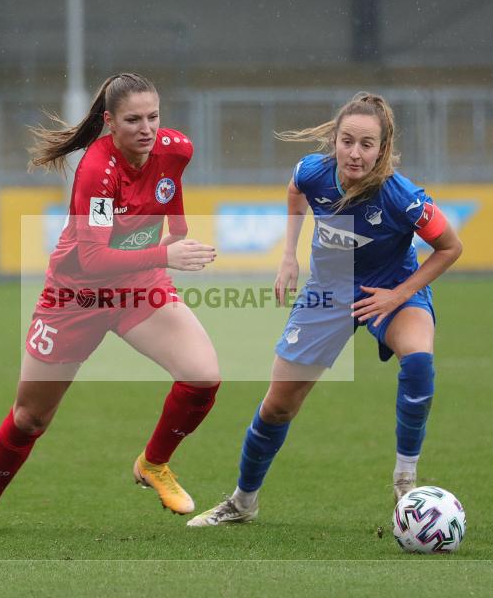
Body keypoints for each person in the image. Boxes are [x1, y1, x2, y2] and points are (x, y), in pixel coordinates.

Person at [0, 73, 220, 533]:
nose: (147, 128)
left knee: (202, 377)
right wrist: (167, 252)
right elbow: (94, 257)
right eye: (133, 120)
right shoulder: (97, 172)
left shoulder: (176, 147)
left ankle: (153, 463)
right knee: (30, 417)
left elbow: (171, 186)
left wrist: (179, 234)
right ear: (109, 122)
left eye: (153, 116)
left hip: (138, 285)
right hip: (76, 295)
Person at [187, 92, 463, 527]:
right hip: (328, 291)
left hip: (391, 287)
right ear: (334, 140)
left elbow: (450, 247)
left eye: (366, 144)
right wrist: (289, 255)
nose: (355, 153)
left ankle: (405, 483)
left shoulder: (402, 197)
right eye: (347, 141)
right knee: (278, 406)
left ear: (382, 148)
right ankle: (242, 502)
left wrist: (397, 296)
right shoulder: (313, 173)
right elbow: (295, 191)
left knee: (419, 359)